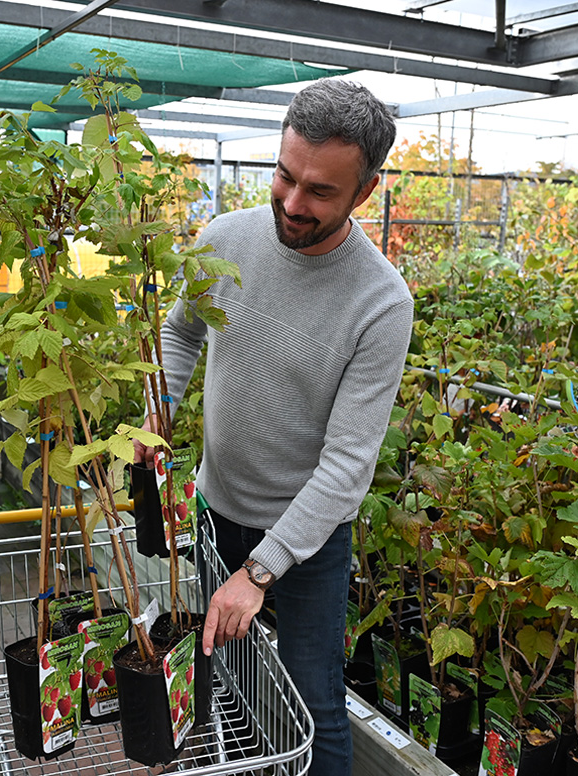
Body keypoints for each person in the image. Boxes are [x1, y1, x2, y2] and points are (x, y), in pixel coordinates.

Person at [134, 78, 413, 776]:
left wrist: (261, 570)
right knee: (220, 675)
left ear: (365, 192)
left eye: (320, 191)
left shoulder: (380, 303)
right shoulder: (225, 238)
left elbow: (349, 467)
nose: (292, 203)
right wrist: (156, 417)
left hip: (307, 536)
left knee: (312, 701)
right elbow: (181, 331)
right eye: (285, 176)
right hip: (212, 506)